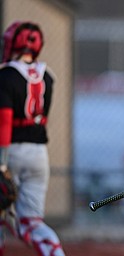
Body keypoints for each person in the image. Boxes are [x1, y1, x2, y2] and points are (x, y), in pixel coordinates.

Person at [0, 21, 65, 255]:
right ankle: (55, 252)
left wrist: (2, 163)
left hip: (12, 151)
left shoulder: (6, 75)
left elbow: (5, 122)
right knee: (32, 221)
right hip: (39, 154)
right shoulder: (47, 75)